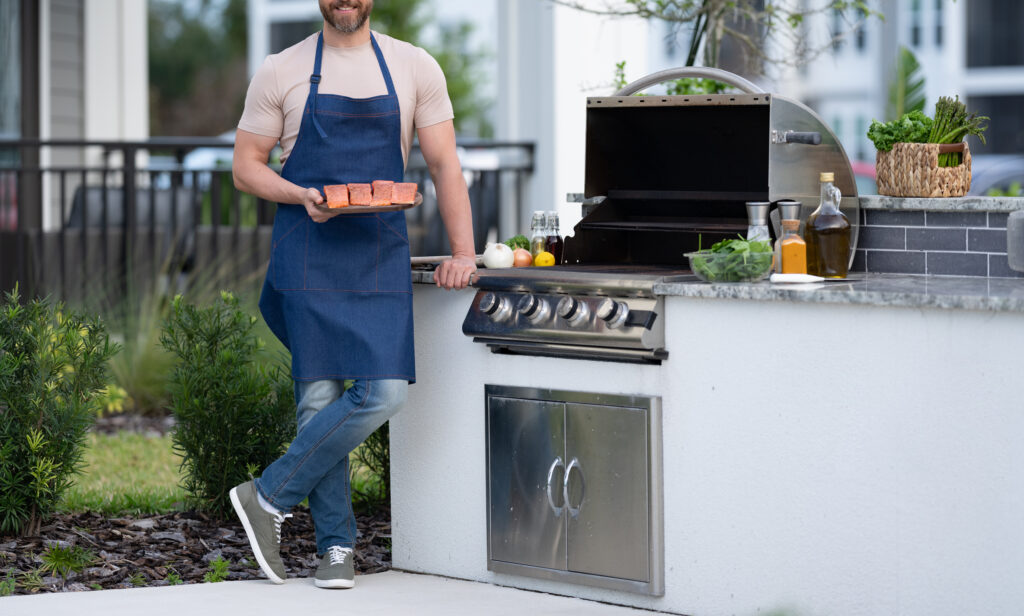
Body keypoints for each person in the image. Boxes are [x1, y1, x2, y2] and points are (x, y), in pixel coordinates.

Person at [229, 0, 476, 590]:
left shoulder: (414, 66)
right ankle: (336, 548)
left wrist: (463, 253)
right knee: (318, 401)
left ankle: (266, 496)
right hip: (307, 246)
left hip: (376, 251)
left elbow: (444, 165)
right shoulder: (280, 69)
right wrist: (299, 193)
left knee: (382, 393)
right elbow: (245, 167)